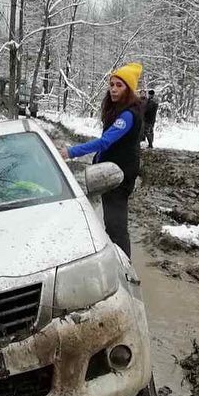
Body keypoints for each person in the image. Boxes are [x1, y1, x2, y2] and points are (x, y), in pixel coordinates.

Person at [59, 63, 143, 257]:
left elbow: (105, 142)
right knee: (111, 223)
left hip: (118, 177)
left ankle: (125, 266)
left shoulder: (128, 115)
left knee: (116, 228)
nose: (113, 89)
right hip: (110, 173)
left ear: (129, 89)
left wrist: (72, 152)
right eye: (112, 84)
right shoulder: (120, 111)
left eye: (119, 85)